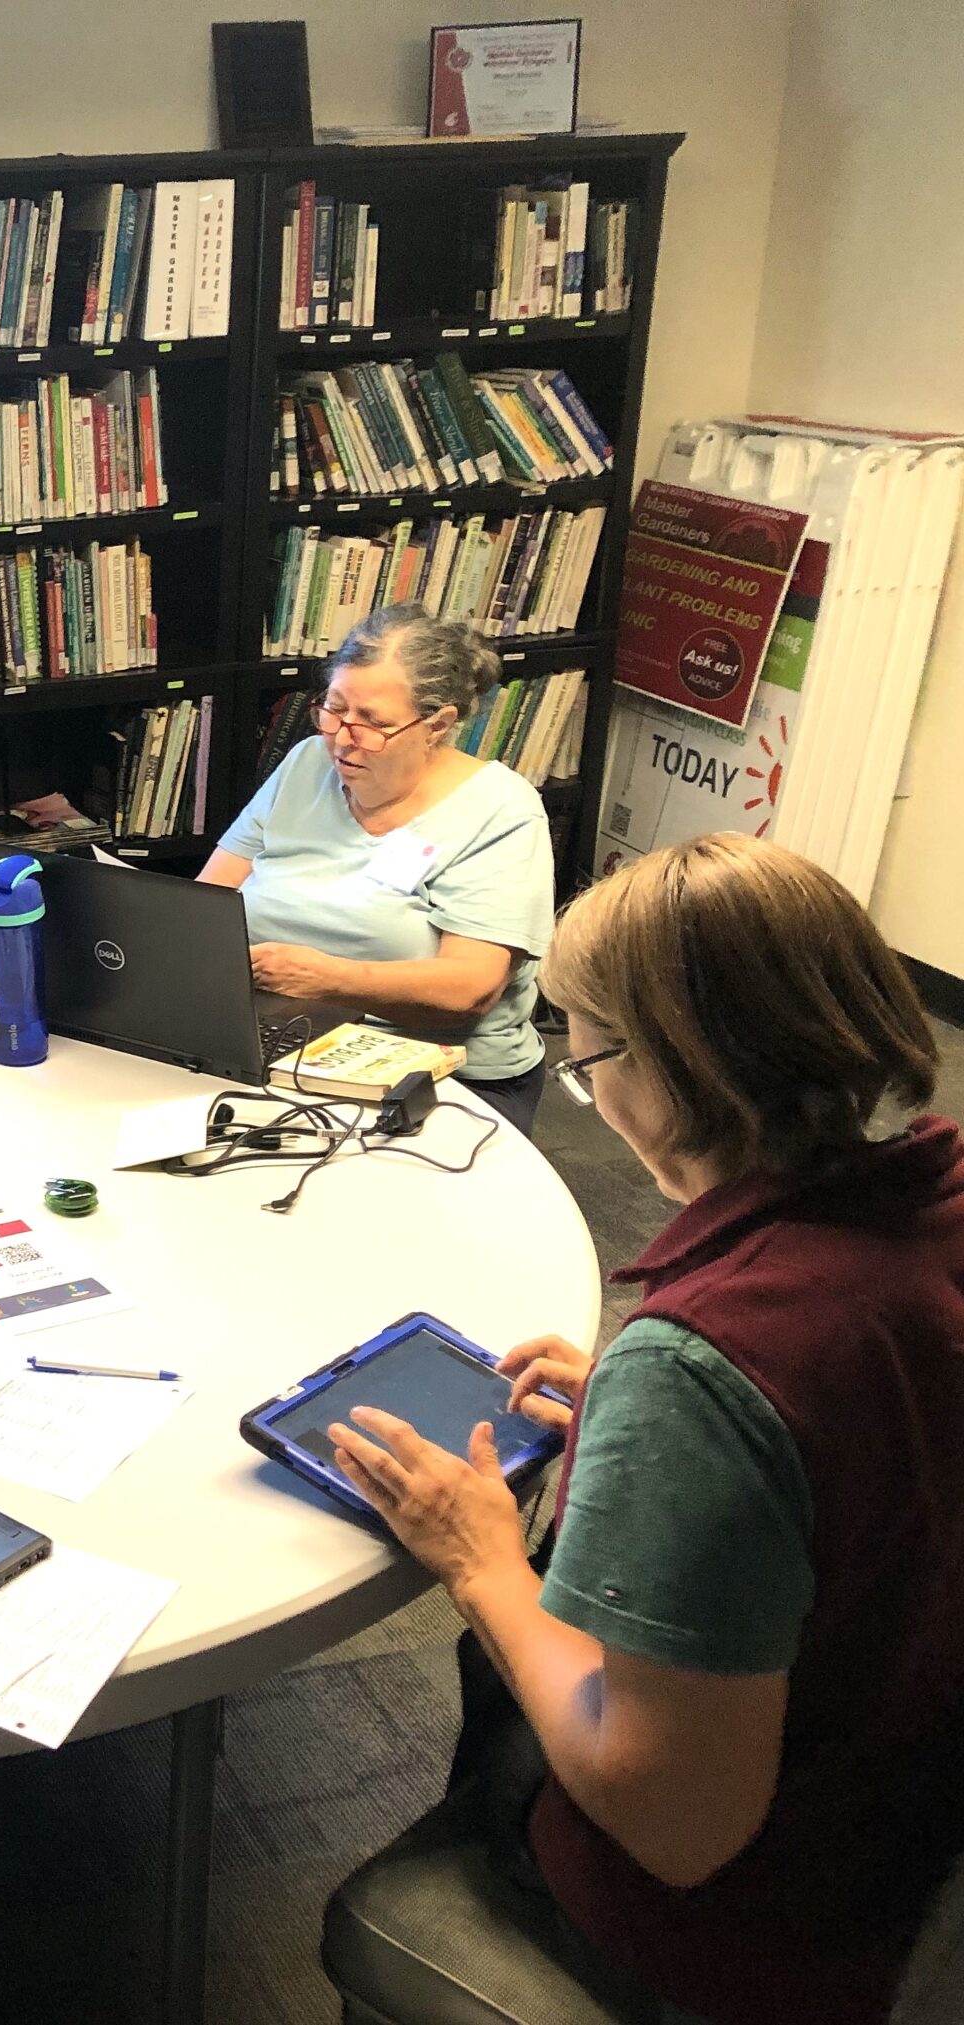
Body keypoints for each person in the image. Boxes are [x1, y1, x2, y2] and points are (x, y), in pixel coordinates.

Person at [324, 833, 963, 2025]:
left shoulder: (712, 1365)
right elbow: (863, 1415)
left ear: (665, 1069)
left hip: (758, 1925)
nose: (590, 1091)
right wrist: (657, 1416)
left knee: (505, 1643)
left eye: (586, 1062)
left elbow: (675, 1824)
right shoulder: (930, 1205)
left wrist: (482, 1561)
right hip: (905, 1785)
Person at [199, 606, 555, 1133]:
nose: (343, 738)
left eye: (374, 723)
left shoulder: (501, 810)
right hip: (283, 1038)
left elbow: (470, 991)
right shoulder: (305, 763)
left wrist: (323, 978)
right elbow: (207, 907)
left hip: (436, 1073)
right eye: (334, 710)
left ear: (438, 725)